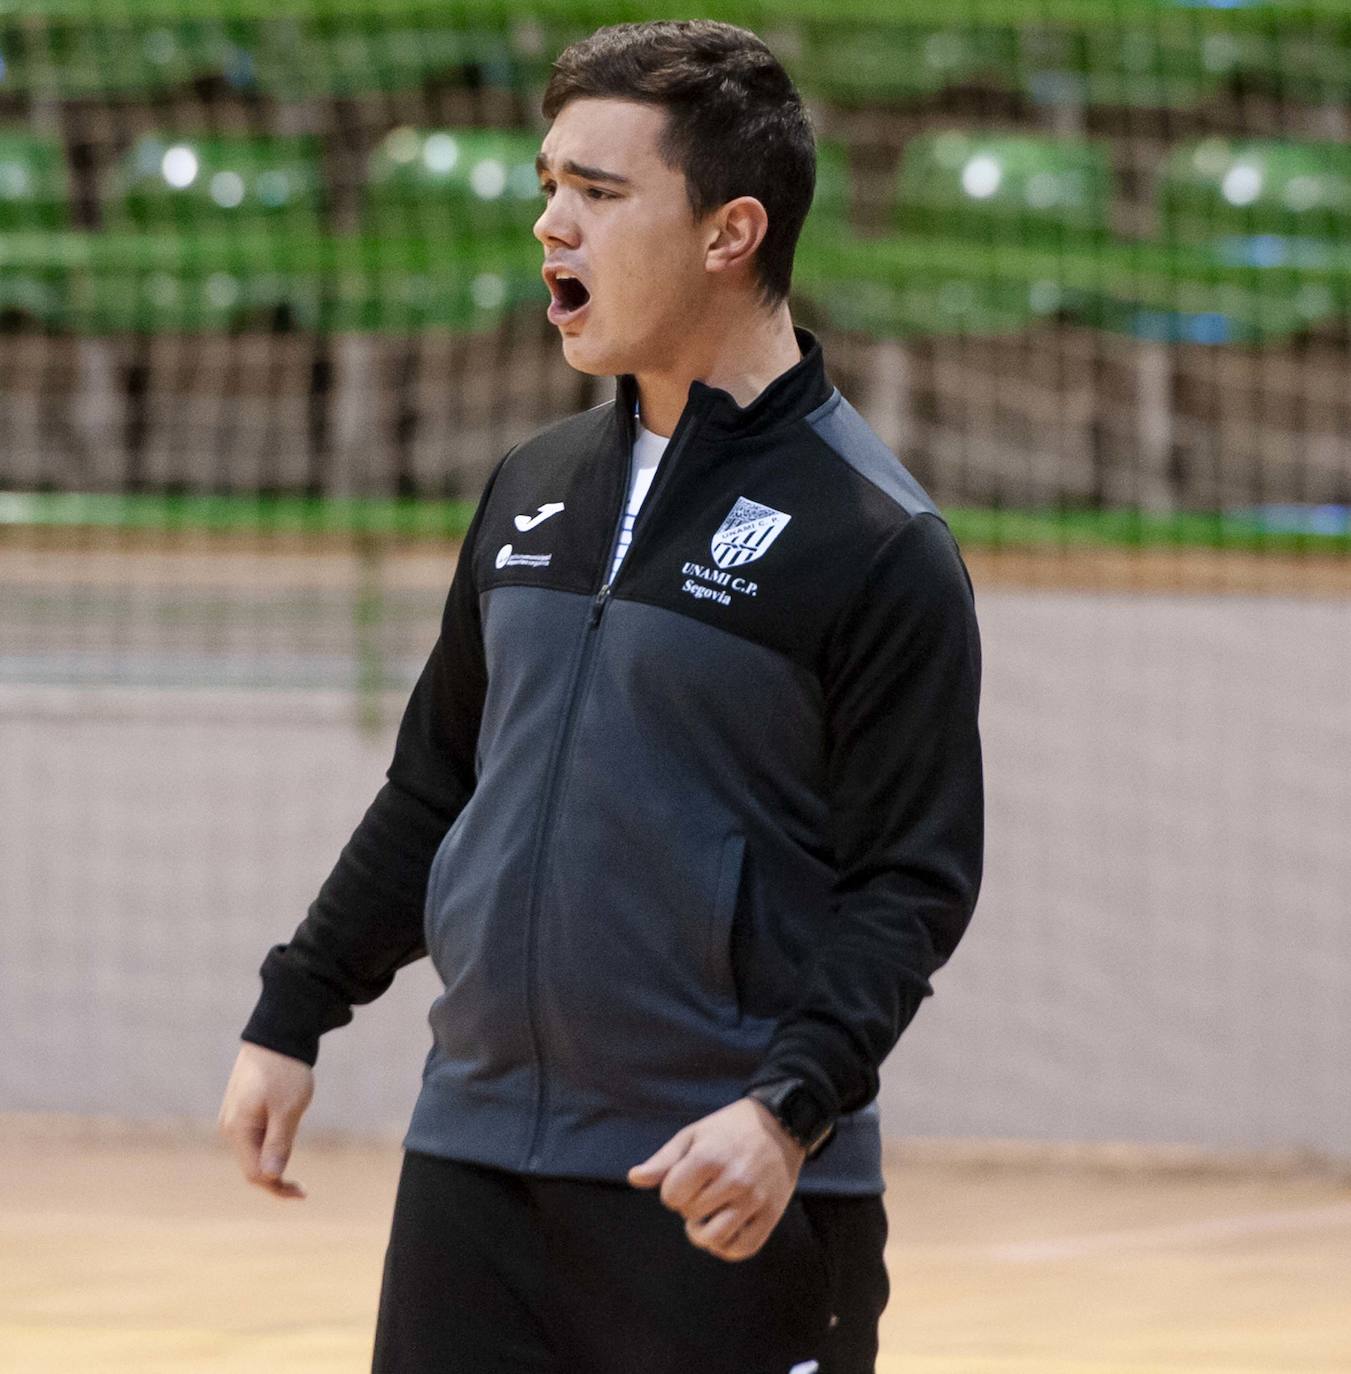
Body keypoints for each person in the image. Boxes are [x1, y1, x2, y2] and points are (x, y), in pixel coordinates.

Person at [217, 19, 984, 1374]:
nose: (552, 227)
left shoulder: (873, 537)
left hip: (717, 1181)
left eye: (600, 192)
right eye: (547, 186)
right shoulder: (529, 485)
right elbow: (438, 787)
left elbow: (910, 885)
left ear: (729, 231)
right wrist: (295, 1009)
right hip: (475, 1165)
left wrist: (786, 1110)